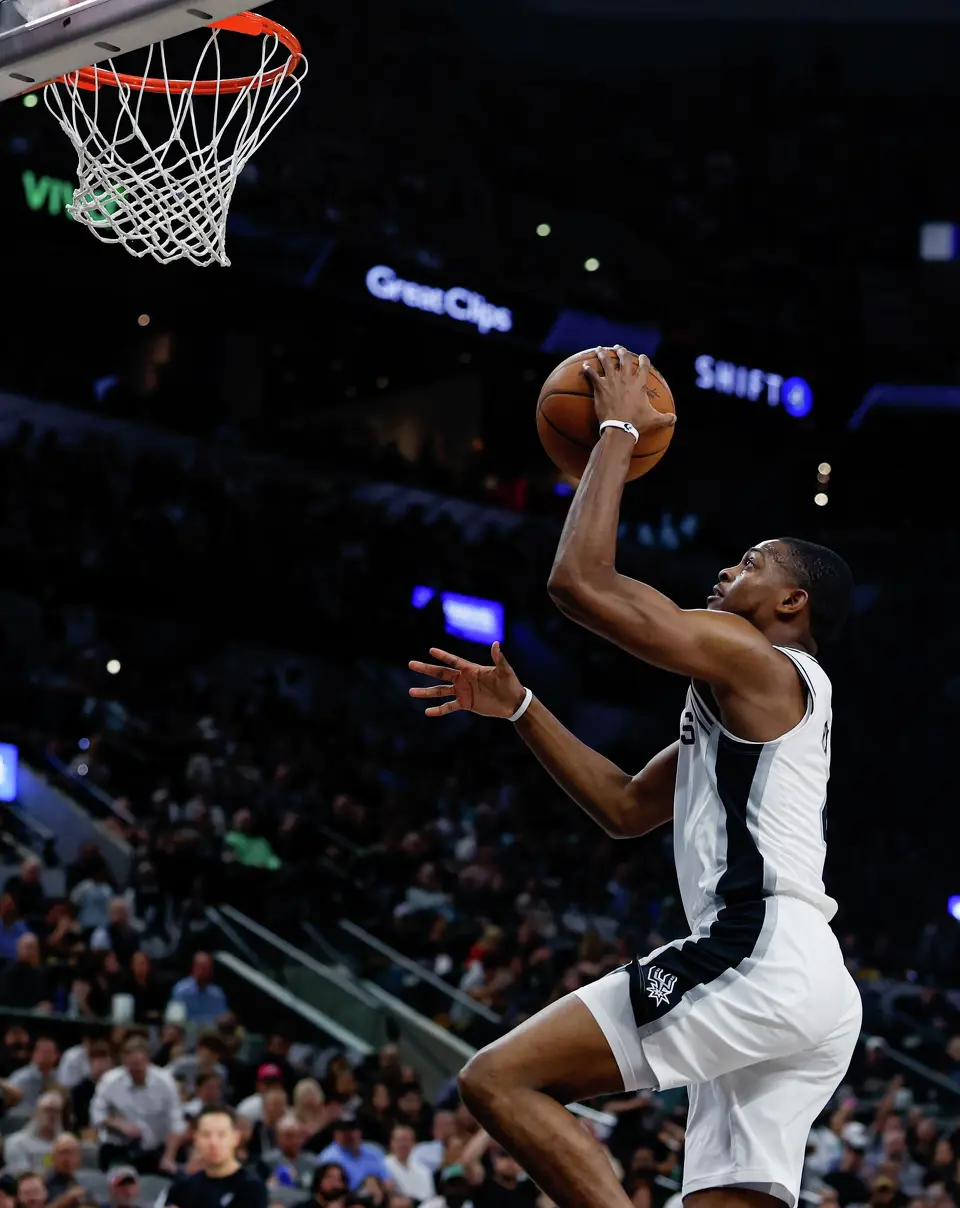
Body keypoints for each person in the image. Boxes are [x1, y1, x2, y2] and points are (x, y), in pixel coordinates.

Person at [408, 348, 862, 1208]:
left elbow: (580, 583)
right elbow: (623, 807)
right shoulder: (742, 704)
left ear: (792, 605)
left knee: (499, 1081)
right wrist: (520, 710)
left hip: (759, 950)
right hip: (809, 985)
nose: (730, 569)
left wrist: (616, 426)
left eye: (754, 561)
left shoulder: (761, 660)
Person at [165, 1106, 268, 1208]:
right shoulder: (181, 1189)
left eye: (221, 1135)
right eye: (206, 1135)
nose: (213, 1142)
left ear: (235, 1138)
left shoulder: (252, 1187)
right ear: (196, 1139)